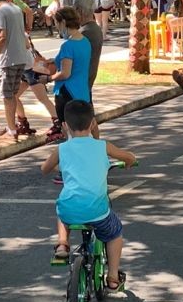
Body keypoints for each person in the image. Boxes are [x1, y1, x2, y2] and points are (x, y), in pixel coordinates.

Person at [40, 99, 136, 286]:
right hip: (97, 212)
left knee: (62, 208)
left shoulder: (61, 149)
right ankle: (113, 276)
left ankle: (62, 243)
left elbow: (44, 168)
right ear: (93, 123)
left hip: (70, 210)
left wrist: (59, 166)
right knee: (115, 233)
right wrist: (129, 162)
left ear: (65, 126)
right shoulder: (103, 146)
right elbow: (129, 157)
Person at [0, 0, 35, 140]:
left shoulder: (0, 12)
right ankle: (13, 126)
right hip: (21, 58)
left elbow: (2, 37)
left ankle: (12, 129)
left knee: (6, 96)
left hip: (8, 60)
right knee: (13, 94)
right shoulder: (16, 8)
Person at [47, 7, 92, 141]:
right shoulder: (85, 41)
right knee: (84, 131)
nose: (56, 26)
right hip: (82, 92)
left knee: (69, 132)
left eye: (56, 22)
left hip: (67, 93)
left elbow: (65, 73)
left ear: (63, 22)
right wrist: (55, 60)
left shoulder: (67, 45)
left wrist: (48, 78)